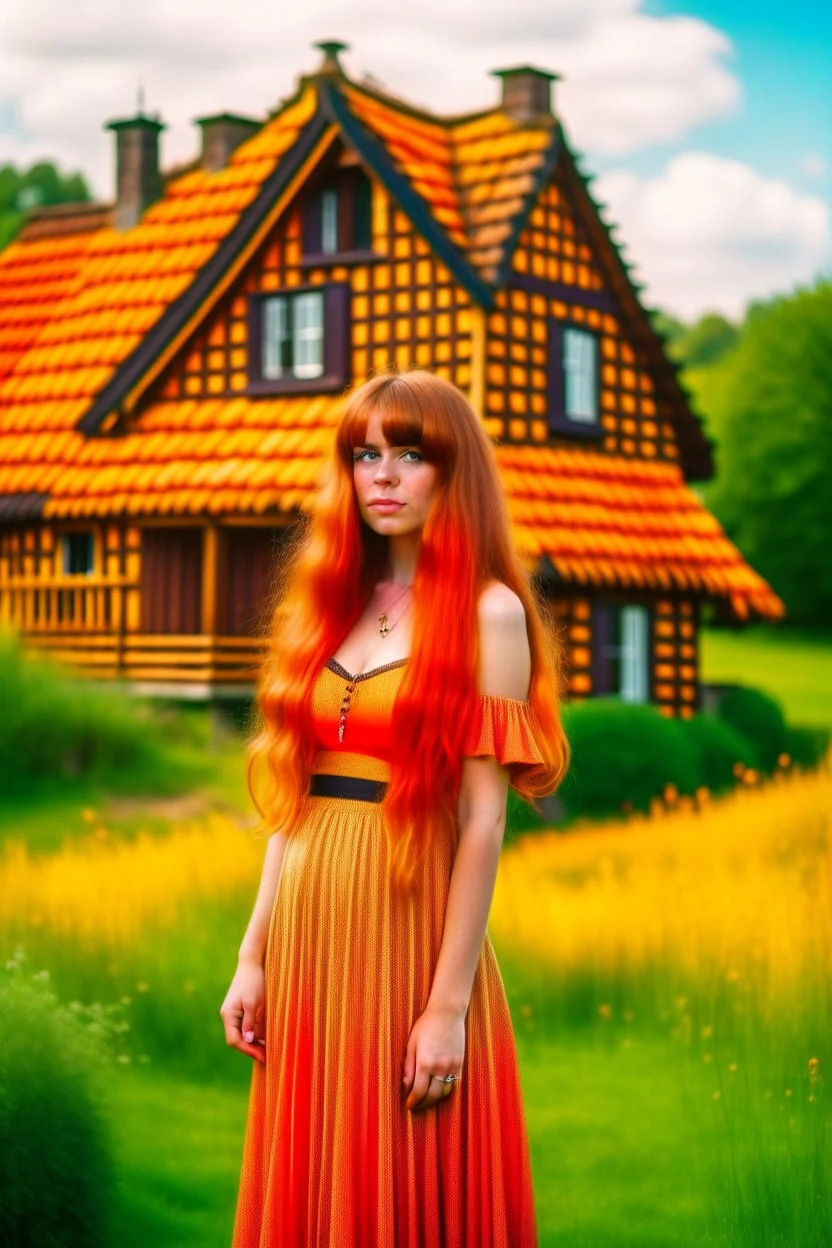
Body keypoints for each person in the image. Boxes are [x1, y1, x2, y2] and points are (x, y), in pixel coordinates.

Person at [221, 368, 570, 1247]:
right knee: (313, 1177)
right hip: (306, 936)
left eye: (410, 455)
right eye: (366, 455)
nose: (382, 474)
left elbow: (483, 820)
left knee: (402, 1180)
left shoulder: (489, 614)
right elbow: (293, 799)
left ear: (455, 475)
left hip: (406, 930)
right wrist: (252, 954)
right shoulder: (330, 602)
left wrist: (446, 1006)